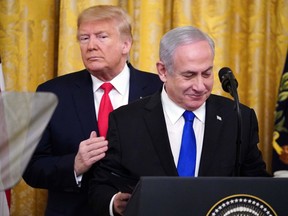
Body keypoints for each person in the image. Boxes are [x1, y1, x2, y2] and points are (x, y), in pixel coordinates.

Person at [88, 26, 271, 216]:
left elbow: (257, 184)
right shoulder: (126, 120)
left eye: (207, 74)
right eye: (189, 75)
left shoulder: (238, 117)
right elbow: (101, 186)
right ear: (163, 71)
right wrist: (114, 202)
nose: (200, 86)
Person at [22, 5, 162, 216]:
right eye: (84, 38)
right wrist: (75, 165)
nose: (91, 46)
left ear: (126, 44)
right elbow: (31, 168)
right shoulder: (52, 93)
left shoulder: (159, 90)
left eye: (102, 37)